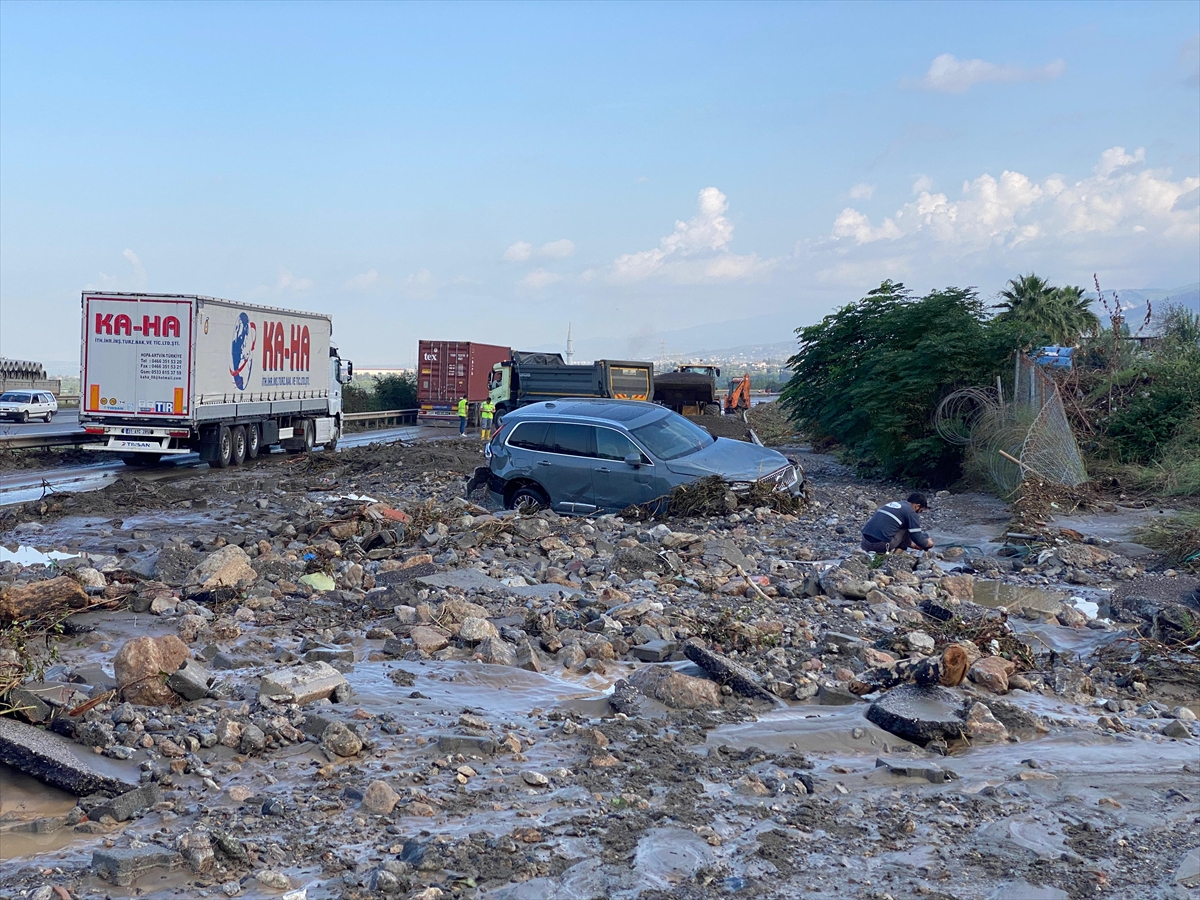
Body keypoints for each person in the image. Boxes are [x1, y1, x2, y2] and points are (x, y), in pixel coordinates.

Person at [861, 493, 934, 554]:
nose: (918, 514)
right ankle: (894, 559)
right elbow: (917, 538)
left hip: (865, 543)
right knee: (907, 529)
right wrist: (927, 543)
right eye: (920, 511)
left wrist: (912, 544)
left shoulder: (893, 504)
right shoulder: (911, 512)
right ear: (917, 506)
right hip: (880, 545)